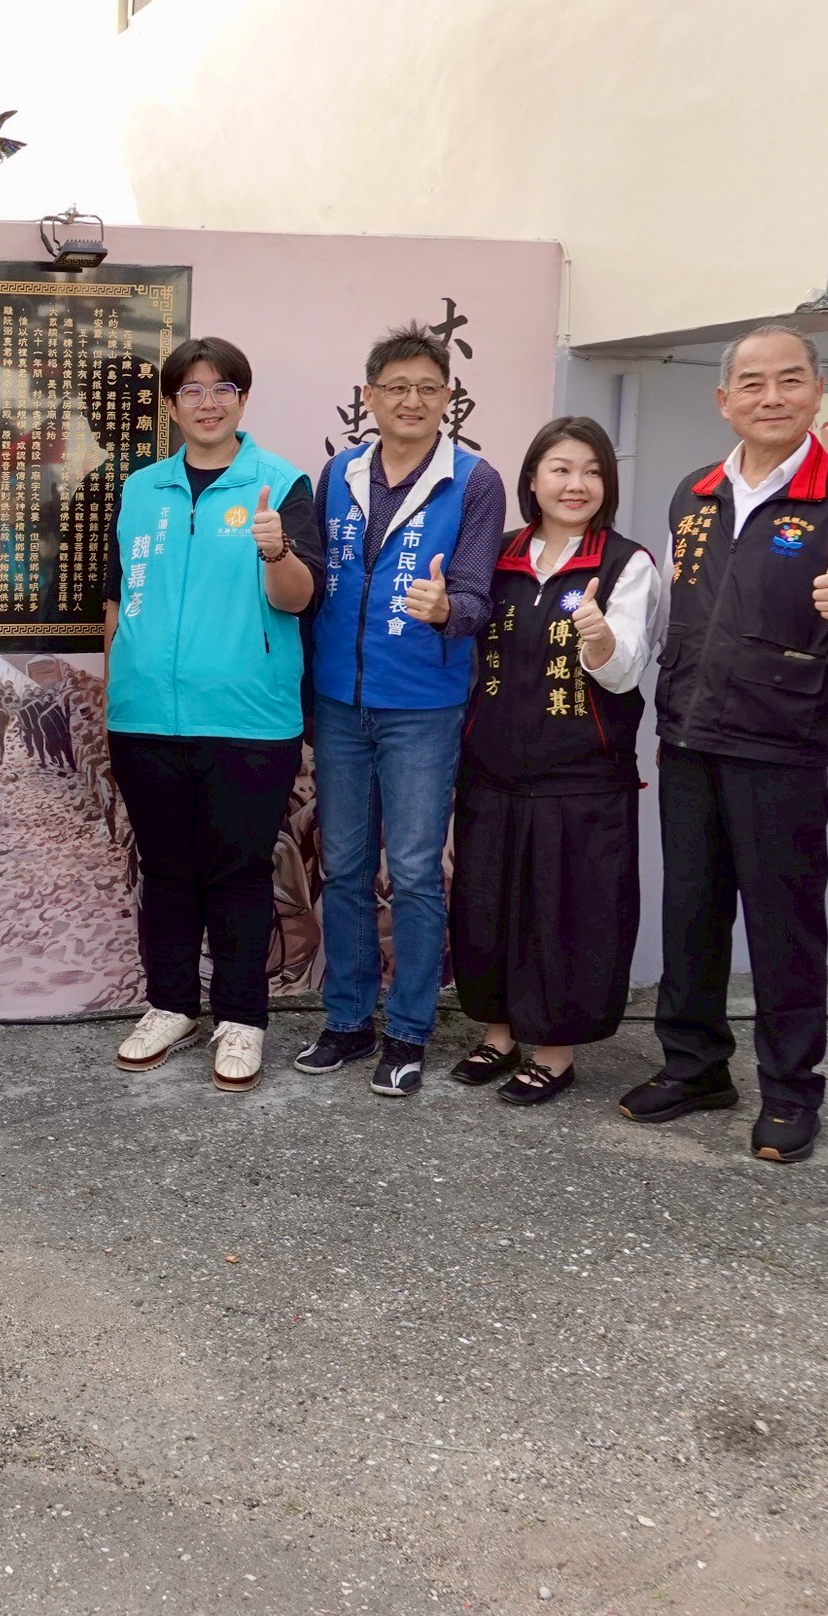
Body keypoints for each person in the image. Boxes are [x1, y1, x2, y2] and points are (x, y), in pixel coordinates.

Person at [620, 326, 828, 1163]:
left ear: (817, 391)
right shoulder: (695, 493)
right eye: (752, 384)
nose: (771, 397)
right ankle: (695, 1067)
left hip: (780, 744)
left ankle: (790, 1092)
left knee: (784, 925)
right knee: (692, 912)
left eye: (789, 381)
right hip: (685, 734)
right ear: (726, 400)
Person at [102, 337, 319, 1091]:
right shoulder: (140, 490)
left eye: (222, 387)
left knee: (236, 872)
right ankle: (170, 1004)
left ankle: (240, 1018)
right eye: (190, 391)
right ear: (171, 407)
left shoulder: (282, 485)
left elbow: (301, 598)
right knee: (163, 872)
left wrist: (275, 552)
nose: (206, 402)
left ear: (242, 400)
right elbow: (115, 597)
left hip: (248, 720)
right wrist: (119, 686)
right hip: (144, 720)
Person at [296, 322, 507, 1097]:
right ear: (369, 397)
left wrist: (448, 606)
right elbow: (316, 582)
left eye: (427, 388)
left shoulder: (474, 482)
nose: (411, 400)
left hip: (423, 704)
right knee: (346, 866)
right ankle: (348, 1020)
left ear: (447, 398)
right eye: (396, 388)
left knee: (416, 871)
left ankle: (409, 1030)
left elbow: (481, 599)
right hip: (340, 703)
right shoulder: (338, 474)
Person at [447, 417, 664, 1104]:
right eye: (561, 469)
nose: (576, 484)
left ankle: (556, 1049)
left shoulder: (626, 564)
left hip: (582, 779)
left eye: (592, 471)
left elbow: (627, 672)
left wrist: (597, 639)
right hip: (492, 769)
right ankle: (499, 1033)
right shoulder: (500, 554)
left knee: (569, 912)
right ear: (533, 479)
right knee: (489, 905)